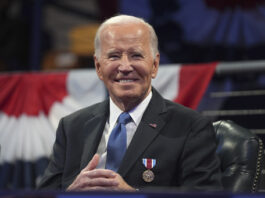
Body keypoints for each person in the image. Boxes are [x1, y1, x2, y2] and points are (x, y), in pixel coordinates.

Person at [38, 14, 222, 192]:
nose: (125, 67)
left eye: (136, 55)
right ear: (98, 68)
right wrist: (70, 193)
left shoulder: (191, 127)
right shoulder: (72, 127)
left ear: (155, 65)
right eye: (114, 56)